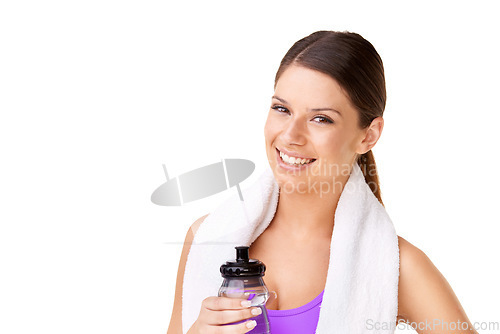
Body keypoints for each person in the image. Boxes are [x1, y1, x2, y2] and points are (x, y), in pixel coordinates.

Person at [167, 30, 478, 334]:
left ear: (368, 135)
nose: (290, 136)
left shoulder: (398, 268)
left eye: (321, 118)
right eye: (281, 109)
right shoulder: (206, 238)